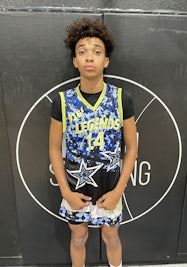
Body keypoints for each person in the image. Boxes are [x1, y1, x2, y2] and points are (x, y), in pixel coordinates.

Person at [49, 17, 137, 267]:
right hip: (76, 187)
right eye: (82, 52)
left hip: (110, 187)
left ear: (105, 61)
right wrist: (66, 191)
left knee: (111, 236)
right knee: (78, 237)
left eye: (97, 52)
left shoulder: (122, 98)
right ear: (75, 61)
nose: (89, 57)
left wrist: (119, 190)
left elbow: (131, 148)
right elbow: (54, 149)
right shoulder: (62, 101)